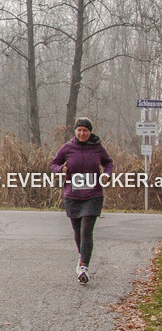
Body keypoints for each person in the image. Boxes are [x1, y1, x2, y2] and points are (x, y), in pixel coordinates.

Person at [50, 117, 113, 285]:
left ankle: (84, 266)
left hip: (93, 195)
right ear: (75, 132)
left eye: (85, 130)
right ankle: (82, 257)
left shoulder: (97, 148)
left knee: (86, 231)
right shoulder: (67, 148)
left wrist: (107, 174)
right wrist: (60, 169)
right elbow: (53, 164)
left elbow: (108, 162)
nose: (82, 133)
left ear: (90, 132)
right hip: (72, 196)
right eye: (79, 130)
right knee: (77, 232)